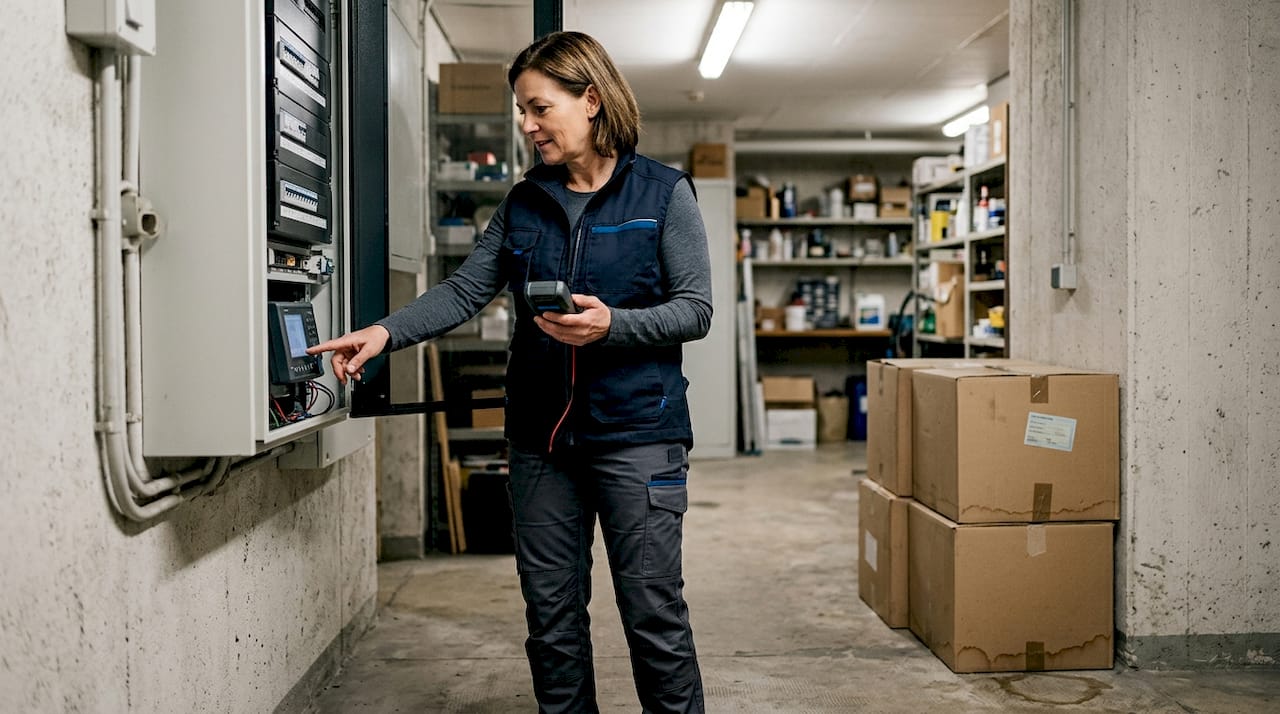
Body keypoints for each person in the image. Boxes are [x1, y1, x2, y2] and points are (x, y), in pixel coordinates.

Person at [308, 31, 711, 713]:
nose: (526, 125)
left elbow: (694, 310)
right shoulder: (526, 202)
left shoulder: (663, 194)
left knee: (654, 621)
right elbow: (465, 290)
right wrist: (383, 331)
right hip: (540, 445)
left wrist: (611, 325)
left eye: (537, 107)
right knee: (552, 624)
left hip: (640, 439)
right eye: (521, 110)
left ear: (590, 100)